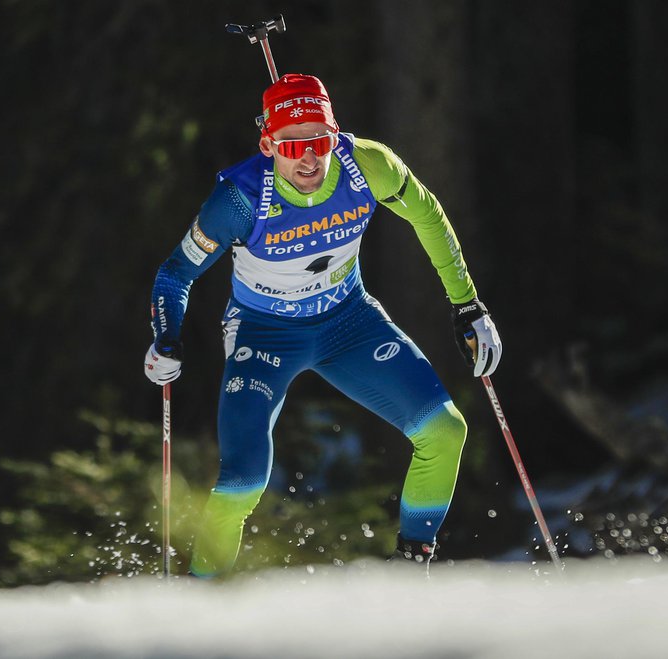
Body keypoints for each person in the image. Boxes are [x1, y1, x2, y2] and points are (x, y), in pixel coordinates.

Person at [144, 73, 502, 577]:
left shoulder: (368, 166)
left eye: (320, 141)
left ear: (336, 135)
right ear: (268, 144)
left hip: (349, 323)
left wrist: (468, 305)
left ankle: (411, 566)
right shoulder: (240, 199)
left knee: (444, 431)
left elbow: (427, 215)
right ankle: (202, 597)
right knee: (242, 482)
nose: (309, 159)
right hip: (263, 334)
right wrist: (167, 338)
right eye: (292, 145)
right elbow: (175, 272)